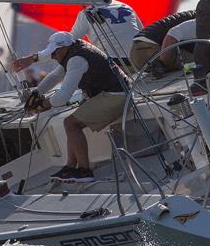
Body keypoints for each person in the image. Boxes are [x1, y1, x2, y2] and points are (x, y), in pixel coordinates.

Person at [12, 31, 130, 182]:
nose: (53, 57)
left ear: (62, 49)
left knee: (71, 123)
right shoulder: (73, 49)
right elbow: (55, 76)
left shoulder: (76, 60)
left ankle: (84, 172)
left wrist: (42, 105)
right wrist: (36, 93)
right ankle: (70, 167)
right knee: (70, 123)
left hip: (116, 95)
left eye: (54, 53)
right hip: (112, 92)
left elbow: (62, 97)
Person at [70, 0, 142, 67]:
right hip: (138, 61)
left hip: (112, 65)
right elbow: (142, 33)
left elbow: (70, 42)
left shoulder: (86, 13)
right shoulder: (127, 7)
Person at [129, 10, 196, 75]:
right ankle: (160, 65)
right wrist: (161, 64)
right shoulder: (199, 20)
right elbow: (172, 34)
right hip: (151, 49)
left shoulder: (190, 16)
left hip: (135, 54)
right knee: (202, 58)